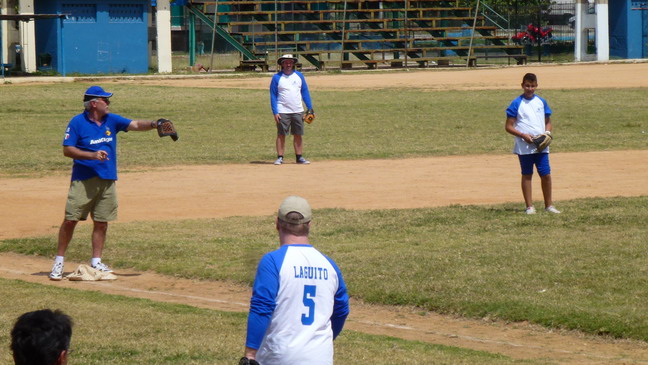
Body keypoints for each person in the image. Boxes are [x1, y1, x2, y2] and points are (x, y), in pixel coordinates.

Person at [49, 86, 163, 280]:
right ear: (94, 103)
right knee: (71, 220)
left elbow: (134, 125)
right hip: (83, 180)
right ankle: (59, 262)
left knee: (102, 222)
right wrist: (92, 155)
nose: (108, 103)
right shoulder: (77, 122)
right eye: (105, 100)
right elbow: (67, 150)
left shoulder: (112, 120)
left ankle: (96, 262)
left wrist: (155, 123)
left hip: (108, 178)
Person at [242, 196, 350, 365]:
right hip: (320, 358)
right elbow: (341, 310)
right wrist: (320, 344)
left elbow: (262, 307)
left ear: (277, 224)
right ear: (309, 225)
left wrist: (250, 353)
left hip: (279, 357)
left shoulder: (273, 261)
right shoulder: (329, 265)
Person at [505, 73, 560, 214]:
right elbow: (509, 126)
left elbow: (548, 122)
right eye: (527, 86)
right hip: (524, 147)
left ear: (536, 86)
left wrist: (546, 133)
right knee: (527, 174)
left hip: (541, 146)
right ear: (522, 85)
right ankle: (529, 206)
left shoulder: (541, 102)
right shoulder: (517, 103)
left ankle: (549, 205)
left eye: (532, 86)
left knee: (546, 174)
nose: (530, 88)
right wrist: (523, 135)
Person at [270, 54, 314, 165]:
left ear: (293, 63)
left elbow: (304, 92)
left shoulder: (299, 76)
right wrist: (275, 112)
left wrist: (310, 108)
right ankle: (280, 157)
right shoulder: (276, 77)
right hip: (282, 111)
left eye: (290, 62)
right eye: (286, 62)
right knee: (281, 134)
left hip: (298, 110)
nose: (288, 64)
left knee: (298, 134)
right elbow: (273, 95)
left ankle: (299, 157)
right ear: (282, 64)